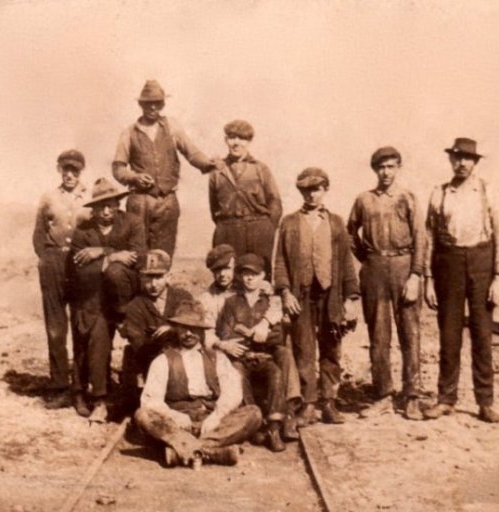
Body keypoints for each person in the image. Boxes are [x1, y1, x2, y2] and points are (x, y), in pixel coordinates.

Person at [275, 168, 359, 426]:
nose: (312, 194)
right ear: (300, 191)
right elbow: (280, 262)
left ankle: (329, 402)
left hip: (330, 294)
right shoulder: (289, 222)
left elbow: (346, 262)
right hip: (301, 294)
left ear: (325, 190)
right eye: (307, 190)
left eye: (317, 189)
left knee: (331, 346)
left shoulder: (335, 222)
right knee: (303, 348)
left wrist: (350, 299)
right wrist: (286, 292)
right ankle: (308, 404)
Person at [423, 138, 499, 423]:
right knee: (449, 333)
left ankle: (485, 402)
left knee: (481, 334)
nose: (462, 163)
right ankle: (446, 399)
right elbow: (430, 239)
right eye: (457, 158)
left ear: (476, 162)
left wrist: (497, 278)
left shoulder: (488, 192)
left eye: (468, 158)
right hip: (448, 265)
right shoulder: (439, 193)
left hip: (481, 262)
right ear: (450, 160)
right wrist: (429, 279)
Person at [135, 300, 262, 468]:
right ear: (176, 329)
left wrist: (216, 416)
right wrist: (175, 416)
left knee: (254, 413)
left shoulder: (218, 358)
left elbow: (232, 392)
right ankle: (214, 452)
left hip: (212, 424)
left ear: (202, 331)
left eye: (194, 328)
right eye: (183, 328)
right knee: (143, 414)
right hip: (179, 423)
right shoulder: (163, 360)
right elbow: (151, 400)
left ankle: (187, 450)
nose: (188, 333)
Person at [347, 148, 424, 420]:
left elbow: (420, 239)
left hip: (404, 267)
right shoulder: (364, 200)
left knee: (410, 334)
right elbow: (349, 233)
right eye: (381, 167)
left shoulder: (408, 198)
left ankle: (412, 395)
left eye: (391, 167)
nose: (386, 172)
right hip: (375, 269)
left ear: (399, 167)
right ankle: (383, 395)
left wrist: (416, 275)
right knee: (379, 336)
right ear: (374, 170)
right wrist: (367, 258)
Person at [199, 244, 301, 441]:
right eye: (216, 270)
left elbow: (275, 306)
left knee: (284, 353)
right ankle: (251, 419)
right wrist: (223, 344)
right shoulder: (206, 299)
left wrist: (265, 323)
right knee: (233, 366)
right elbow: (207, 334)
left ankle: (288, 413)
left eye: (226, 269)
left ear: (233, 267)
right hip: (228, 349)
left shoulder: (253, 285)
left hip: (259, 347)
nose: (222, 275)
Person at [112, 79, 220, 257]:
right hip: (140, 201)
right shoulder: (129, 133)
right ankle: (140, 285)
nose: (153, 108)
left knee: (165, 250)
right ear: (141, 105)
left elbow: (191, 152)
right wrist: (134, 177)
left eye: (157, 103)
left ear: (162, 104)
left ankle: (161, 285)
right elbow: (118, 168)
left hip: (167, 200)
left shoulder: (172, 126)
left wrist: (208, 163)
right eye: (148, 104)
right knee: (138, 249)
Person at [69, 178, 146, 420]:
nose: (105, 211)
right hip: (93, 296)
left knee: (140, 339)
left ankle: (138, 392)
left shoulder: (132, 222)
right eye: (100, 206)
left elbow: (139, 258)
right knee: (94, 338)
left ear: (118, 204)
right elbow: (81, 271)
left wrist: (103, 253)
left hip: (125, 295)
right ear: (92, 208)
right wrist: (114, 255)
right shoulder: (82, 232)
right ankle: (94, 397)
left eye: (110, 205)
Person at [217, 254, 295, 452]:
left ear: (263, 277)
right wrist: (254, 333)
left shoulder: (270, 303)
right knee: (237, 374)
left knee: (275, 373)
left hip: (264, 356)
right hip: (241, 357)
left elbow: (277, 336)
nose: (249, 279)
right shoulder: (232, 302)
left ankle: (274, 428)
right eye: (245, 274)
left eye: (254, 274)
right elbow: (226, 332)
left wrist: (245, 330)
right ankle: (255, 423)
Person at [32, 149, 90, 409]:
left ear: (81, 172)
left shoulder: (89, 196)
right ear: (59, 170)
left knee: (81, 323)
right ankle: (59, 386)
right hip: (53, 262)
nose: (69, 174)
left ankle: (79, 387)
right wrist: (46, 259)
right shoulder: (49, 198)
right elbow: (39, 233)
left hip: (79, 263)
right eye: (65, 169)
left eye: (74, 170)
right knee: (56, 326)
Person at [120, 249, 192, 413]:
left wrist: (173, 329)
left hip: (184, 359)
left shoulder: (183, 298)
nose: (153, 284)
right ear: (141, 278)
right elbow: (138, 344)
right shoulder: (135, 306)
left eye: (159, 277)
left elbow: (194, 329)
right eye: (148, 278)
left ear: (169, 276)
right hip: (152, 363)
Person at [209, 120, 282, 274]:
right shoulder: (217, 171)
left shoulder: (260, 168)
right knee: (227, 275)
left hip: (257, 230)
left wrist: (267, 229)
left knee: (258, 276)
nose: (236, 143)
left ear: (249, 142)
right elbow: (214, 206)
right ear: (226, 140)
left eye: (242, 138)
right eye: (232, 137)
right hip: (227, 229)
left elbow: (274, 201)